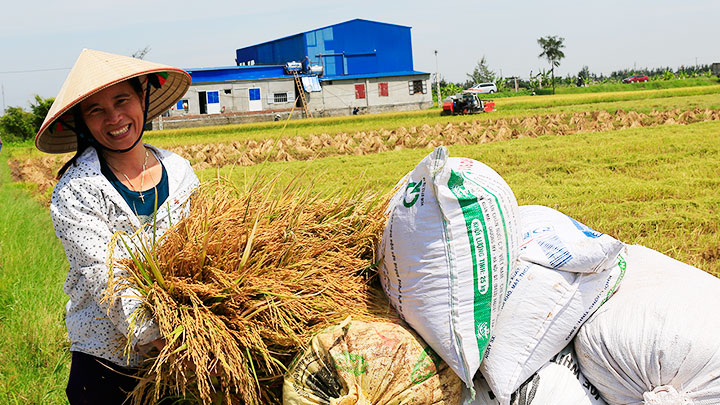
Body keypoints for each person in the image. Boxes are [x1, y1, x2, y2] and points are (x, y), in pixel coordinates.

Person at [34, 49, 199, 404]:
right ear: (82, 121)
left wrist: (201, 341)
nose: (114, 118)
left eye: (122, 100)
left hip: (184, 357)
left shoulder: (181, 171)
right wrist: (171, 345)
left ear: (143, 96)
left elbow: (200, 254)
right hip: (108, 363)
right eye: (96, 110)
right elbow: (105, 276)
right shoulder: (76, 189)